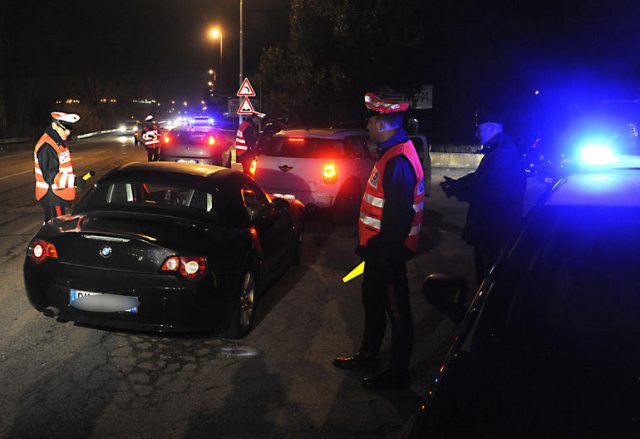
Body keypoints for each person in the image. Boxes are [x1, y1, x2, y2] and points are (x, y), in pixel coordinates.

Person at [333, 93, 425, 390]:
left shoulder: (398, 160)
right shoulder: (390, 153)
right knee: (372, 305)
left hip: (388, 257)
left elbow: (398, 218)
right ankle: (368, 355)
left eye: (371, 119)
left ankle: (398, 374)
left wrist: (383, 259)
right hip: (377, 254)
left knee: (397, 313)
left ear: (384, 123)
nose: (368, 124)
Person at [440, 108, 526, 284]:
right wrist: (458, 182)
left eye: (479, 129)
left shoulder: (503, 152)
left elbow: (487, 190)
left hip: (493, 229)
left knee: (489, 277)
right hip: (492, 228)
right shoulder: (500, 149)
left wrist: (456, 191)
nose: (476, 133)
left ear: (492, 129)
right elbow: (481, 176)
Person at [34, 112, 81, 222]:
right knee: (56, 232)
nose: (68, 132)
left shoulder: (58, 142)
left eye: (70, 128)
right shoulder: (47, 146)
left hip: (57, 195)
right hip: (52, 196)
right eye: (65, 128)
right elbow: (51, 176)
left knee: (55, 230)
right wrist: (73, 181)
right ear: (54, 125)